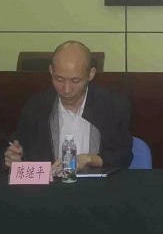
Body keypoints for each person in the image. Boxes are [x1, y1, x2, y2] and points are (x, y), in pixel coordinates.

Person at [4, 41, 133, 173]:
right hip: (50, 184)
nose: (66, 90)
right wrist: (16, 157)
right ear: (51, 71)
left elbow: (123, 156)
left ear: (91, 74)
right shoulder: (36, 107)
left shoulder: (112, 105)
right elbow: (19, 148)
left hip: (98, 184)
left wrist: (89, 159)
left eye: (75, 81)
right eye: (59, 79)